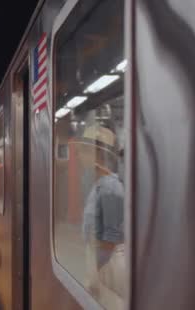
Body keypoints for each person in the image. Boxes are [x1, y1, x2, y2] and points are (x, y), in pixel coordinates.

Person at [70, 124, 125, 304]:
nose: (79, 155)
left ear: (98, 155)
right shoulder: (99, 185)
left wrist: (94, 274)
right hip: (99, 264)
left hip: (108, 268)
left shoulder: (110, 188)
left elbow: (111, 240)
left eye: (85, 151)